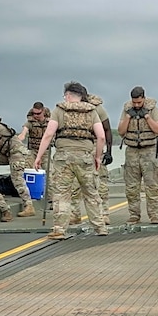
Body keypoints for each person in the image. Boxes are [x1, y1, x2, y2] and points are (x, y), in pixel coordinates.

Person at [34, 81, 108, 238]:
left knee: (62, 194)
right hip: (85, 157)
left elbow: (48, 135)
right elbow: (101, 136)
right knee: (91, 193)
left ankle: (59, 229)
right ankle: (100, 227)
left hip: (63, 158)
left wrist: (39, 156)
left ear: (68, 96)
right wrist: (98, 156)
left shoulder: (59, 110)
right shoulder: (92, 111)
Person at [69, 88, 114, 226]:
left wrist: (108, 152)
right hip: (75, 147)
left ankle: (104, 213)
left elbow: (107, 129)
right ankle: (74, 214)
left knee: (100, 182)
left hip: (94, 145)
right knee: (74, 183)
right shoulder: (67, 109)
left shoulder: (96, 108)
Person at [118, 86, 158, 224]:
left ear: (143, 98)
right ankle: (134, 215)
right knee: (131, 187)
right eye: (134, 102)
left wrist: (147, 116)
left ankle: (154, 215)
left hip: (148, 151)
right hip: (131, 151)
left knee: (152, 186)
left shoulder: (152, 108)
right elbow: (121, 131)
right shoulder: (127, 109)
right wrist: (128, 116)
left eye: (139, 102)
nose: (136, 105)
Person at [16, 102, 51, 170]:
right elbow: (23, 133)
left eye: (38, 113)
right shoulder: (30, 122)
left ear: (43, 111)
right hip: (33, 151)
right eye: (34, 113)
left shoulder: (50, 122)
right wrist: (18, 139)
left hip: (45, 152)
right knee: (26, 168)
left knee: (49, 171)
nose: (36, 115)